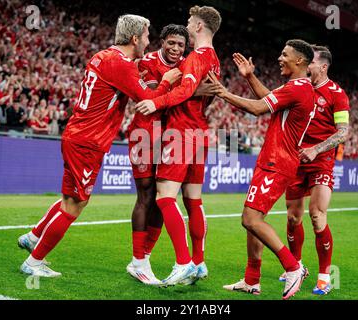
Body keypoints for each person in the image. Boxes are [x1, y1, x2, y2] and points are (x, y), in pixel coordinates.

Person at [16, 14, 182, 278]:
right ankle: (34, 262)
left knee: (69, 198)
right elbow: (149, 99)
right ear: (135, 38)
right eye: (147, 36)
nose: (149, 42)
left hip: (77, 134)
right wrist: (167, 81)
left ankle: (35, 237)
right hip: (88, 141)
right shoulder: (121, 65)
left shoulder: (102, 56)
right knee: (75, 205)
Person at [208, 39, 316, 300]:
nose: (280, 58)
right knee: (253, 222)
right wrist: (250, 77)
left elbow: (258, 109)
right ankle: (251, 280)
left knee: (251, 220)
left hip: (276, 163)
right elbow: (269, 100)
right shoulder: (297, 87)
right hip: (274, 160)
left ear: (299, 61)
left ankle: (293, 267)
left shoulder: (298, 88)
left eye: (284, 54)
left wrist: (222, 92)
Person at [135, 5, 222, 286]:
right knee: (193, 201)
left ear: (198, 27)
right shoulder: (215, 58)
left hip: (181, 132)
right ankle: (198, 262)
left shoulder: (196, 56)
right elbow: (197, 91)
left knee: (164, 198)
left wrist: (156, 100)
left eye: (189, 22)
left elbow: (184, 90)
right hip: (200, 133)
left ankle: (183, 262)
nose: (187, 24)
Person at [279, 45, 350, 295]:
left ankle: (324, 276)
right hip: (295, 161)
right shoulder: (301, 88)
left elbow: (343, 132)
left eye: (311, 63)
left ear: (323, 66)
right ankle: (296, 266)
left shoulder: (337, 94)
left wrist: (317, 149)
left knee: (317, 215)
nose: (306, 66)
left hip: (321, 161)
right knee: (292, 218)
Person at [126, 24, 189, 285]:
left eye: (181, 45)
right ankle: (138, 261)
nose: (175, 49)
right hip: (143, 134)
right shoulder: (145, 63)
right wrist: (167, 84)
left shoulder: (187, 66)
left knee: (165, 199)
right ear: (162, 41)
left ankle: (144, 257)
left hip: (170, 139)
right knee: (147, 195)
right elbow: (146, 101)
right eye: (171, 43)